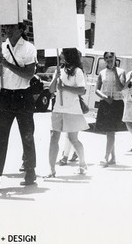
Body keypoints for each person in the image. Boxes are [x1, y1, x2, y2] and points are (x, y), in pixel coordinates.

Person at [0, 22, 38, 190]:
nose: (7, 30)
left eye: (11, 27)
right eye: (7, 27)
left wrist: (8, 64)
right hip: (5, 94)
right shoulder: (1, 47)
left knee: (27, 135)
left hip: (23, 95)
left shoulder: (28, 48)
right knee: (0, 137)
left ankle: (30, 170)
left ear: (21, 29)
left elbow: (29, 73)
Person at [45, 48, 88, 177]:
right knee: (54, 138)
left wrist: (65, 87)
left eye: (63, 53)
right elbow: (52, 90)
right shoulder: (59, 71)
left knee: (73, 139)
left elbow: (82, 90)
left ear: (69, 55)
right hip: (58, 109)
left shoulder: (78, 71)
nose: (61, 55)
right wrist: (55, 78)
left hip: (73, 110)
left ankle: (82, 163)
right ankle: (52, 170)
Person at [95, 52, 126, 167]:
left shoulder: (121, 72)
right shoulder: (102, 73)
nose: (109, 60)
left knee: (111, 131)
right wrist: (104, 97)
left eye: (111, 57)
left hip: (116, 103)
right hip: (106, 102)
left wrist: (114, 72)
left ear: (115, 58)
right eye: (106, 58)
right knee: (109, 131)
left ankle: (105, 157)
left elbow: (120, 87)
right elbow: (97, 89)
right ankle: (112, 156)